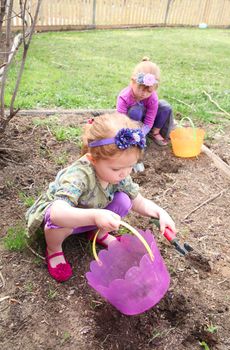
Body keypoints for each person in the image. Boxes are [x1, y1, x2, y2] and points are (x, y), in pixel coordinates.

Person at [26, 113, 176, 283]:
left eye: (130, 166)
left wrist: (160, 213)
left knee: (124, 201)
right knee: (58, 223)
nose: (124, 173)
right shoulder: (79, 175)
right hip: (68, 220)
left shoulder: (121, 173)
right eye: (116, 169)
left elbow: (138, 201)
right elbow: (57, 213)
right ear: (93, 159)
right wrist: (95, 216)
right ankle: (54, 249)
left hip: (92, 217)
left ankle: (98, 233)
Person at [116, 57, 174, 146]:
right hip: (130, 121)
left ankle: (154, 132)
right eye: (141, 89)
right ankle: (133, 132)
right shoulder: (124, 97)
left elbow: (149, 119)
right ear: (132, 82)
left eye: (149, 91)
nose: (144, 94)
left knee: (165, 107)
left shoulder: (152, 97)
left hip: (145, 122)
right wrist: (129, 134)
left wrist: (142, 134)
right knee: (136, 111)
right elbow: (121, 119)